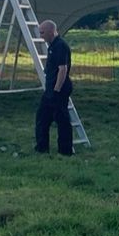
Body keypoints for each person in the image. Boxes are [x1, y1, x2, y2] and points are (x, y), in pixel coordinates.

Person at [34, 19, 74, 155]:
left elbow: (62, 69)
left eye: (42, 32)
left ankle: (65, 150)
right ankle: (42, 147)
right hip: (51, 88)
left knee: (62, 120)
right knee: (42, 118)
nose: (41, 36)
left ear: (51, 32)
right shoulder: (52, 45)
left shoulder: (60, 46)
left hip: (58, 89)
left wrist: (56, 90)